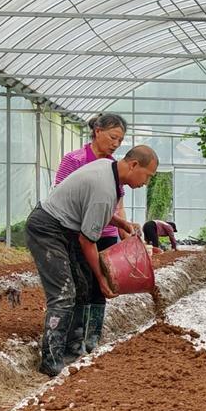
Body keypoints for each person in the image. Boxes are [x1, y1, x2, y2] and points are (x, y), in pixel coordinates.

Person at [26, 146, 159, 376]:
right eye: (147, 175)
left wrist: (120, 223)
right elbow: (88, 241)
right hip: (47, 229)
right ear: (134, 165)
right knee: (64, 293)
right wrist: (102, 278)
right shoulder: (105, 190)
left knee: (83, 288)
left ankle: (73, 351)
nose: (146, 182)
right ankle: (51, 361)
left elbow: (92, 207)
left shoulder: (107, 168)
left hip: (64, 227)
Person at [55, 113, 138, 354]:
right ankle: (75, 336)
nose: (115, 144)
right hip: (79, 230)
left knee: (102, 282)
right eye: (113, 137)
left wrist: (124, 231)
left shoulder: (115, 166)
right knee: (82, 280)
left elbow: (117, 203)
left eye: (120, 141)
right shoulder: (74, 159)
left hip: (107, 230)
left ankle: (93, 337)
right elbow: (62, 194)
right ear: (97, 131)